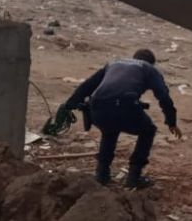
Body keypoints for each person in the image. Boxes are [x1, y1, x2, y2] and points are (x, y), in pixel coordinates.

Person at [62, 49, 182, 188]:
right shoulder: (149, 68)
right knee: (148, 130)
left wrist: (70, 104)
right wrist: (171, 122)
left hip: (97, 107)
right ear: (152, 63)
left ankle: (101, 175)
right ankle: (134, 176)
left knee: (109, 131)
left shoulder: (114, 64)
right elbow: (164, 97)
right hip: (124, 105)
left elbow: (87, 85)